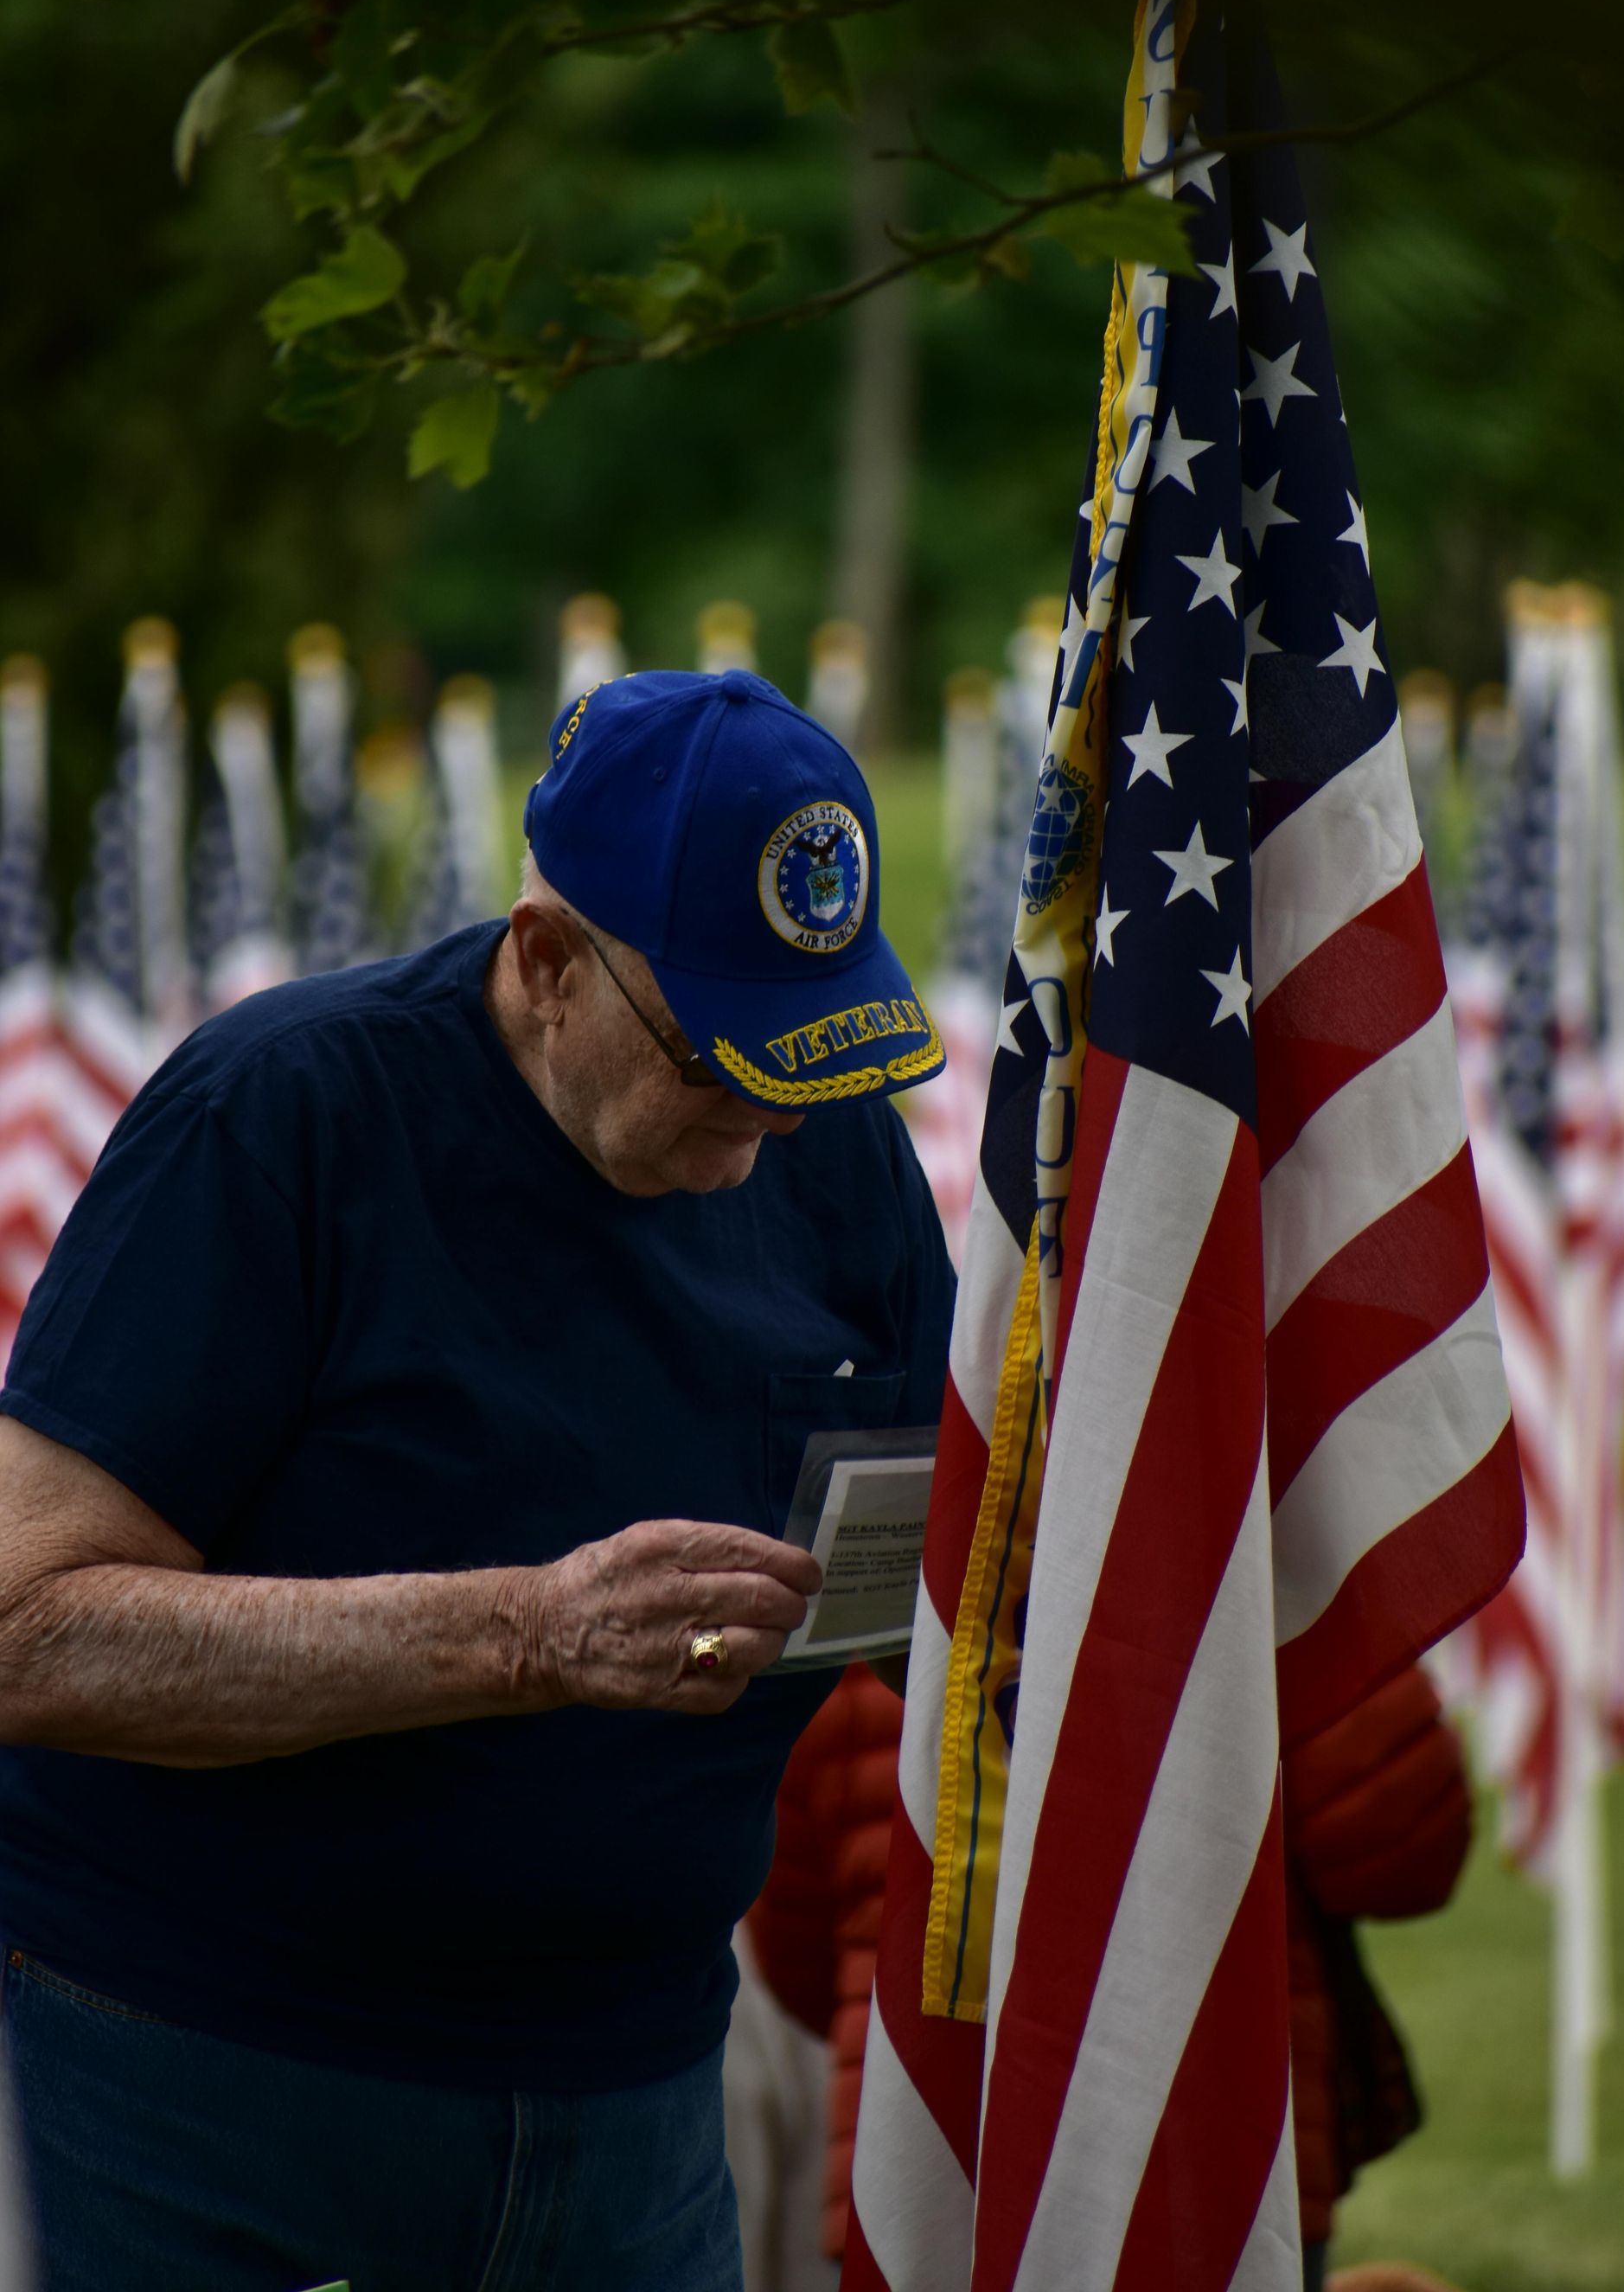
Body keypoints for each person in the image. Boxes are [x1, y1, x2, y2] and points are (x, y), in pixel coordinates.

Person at [0, 669, 954, 2292]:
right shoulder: (281, 1119)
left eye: (817, 1058)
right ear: (545, 962)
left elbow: (917, 1524)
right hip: (208, 2077)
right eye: (717, 1059)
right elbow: (28, 1628)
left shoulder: (821, 1137)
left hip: (641, 2078)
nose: (766, 1125)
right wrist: (529, 1634)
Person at [750, 1662, 1470, 2289]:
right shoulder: (1251, 1531)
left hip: (927, 2169)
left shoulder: (878, 1544)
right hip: (1211, 2167)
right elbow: (1404, 1844)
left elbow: (796, 1940)